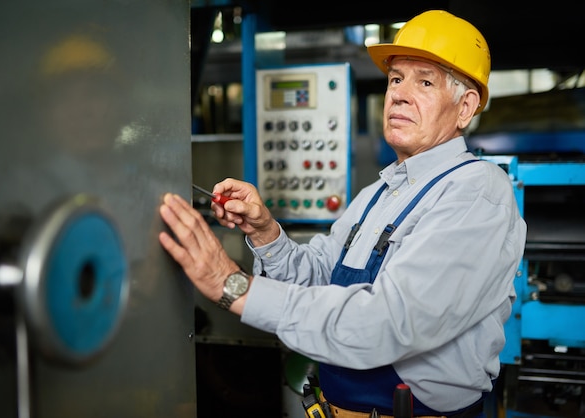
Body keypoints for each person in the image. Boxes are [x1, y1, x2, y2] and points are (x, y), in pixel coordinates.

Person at [158, 9, 527, 418]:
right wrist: (266, 233)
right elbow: (322, 276)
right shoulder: (379, 192)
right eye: (396, 79)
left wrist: (234, 287)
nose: (399, 94)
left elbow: (390, 323)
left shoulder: (477, 192)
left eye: (424, 81)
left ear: (465, 107)